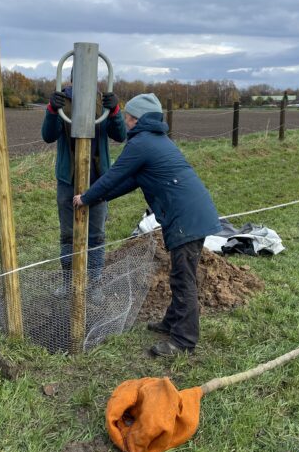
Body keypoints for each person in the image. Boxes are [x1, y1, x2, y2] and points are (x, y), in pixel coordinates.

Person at [73, 93, 221, 357]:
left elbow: (114, 175)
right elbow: (129, 181)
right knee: (179, 274)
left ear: (137, 119)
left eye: (128, 118)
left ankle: (184, 340)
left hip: (185, 217)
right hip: (190, 213)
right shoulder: (155, 141)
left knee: (183, 277)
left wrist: (85, 198)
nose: (126, 122)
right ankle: (172, 322)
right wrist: (100, 198)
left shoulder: (141, 143)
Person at [42, 83, 126, 304]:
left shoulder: (102, 102)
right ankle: (68, 282)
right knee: (68, 234)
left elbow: (120, 135)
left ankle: (94, 284)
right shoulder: (62, 103)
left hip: (98, 179)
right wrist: (52, 111)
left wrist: (116, 111)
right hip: (68, 181)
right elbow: (48, 136)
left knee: (96, 235)